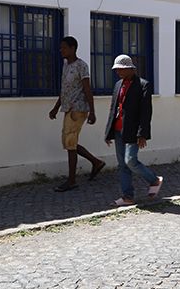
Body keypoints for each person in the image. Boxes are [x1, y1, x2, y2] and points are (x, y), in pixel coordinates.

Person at [104, 54, 163, 206]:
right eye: (117, 69)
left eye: (121, 69)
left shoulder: (143, 85)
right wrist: (108, 132)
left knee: (130, 160)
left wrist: (142, 134)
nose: (118, 72)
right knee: (122, 165)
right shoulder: (118, 85)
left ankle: (154, 180)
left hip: (133, 130)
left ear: (131, 68)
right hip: (118, 130)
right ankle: (127, 197)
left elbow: (146, 112)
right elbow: (113, 109)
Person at [49, 36, 105, 192]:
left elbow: (87, 89)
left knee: (70, 143)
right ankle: (96, 162)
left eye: (64, 47)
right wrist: (56, 108)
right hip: (68, 108)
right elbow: (64, 90)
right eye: (61, 47)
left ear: (73, 48)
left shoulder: (82, 66)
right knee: (69, 142)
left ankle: (72, 180)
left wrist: (92, 111)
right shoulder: (66, 66)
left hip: (78, 109)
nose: (61, 50)